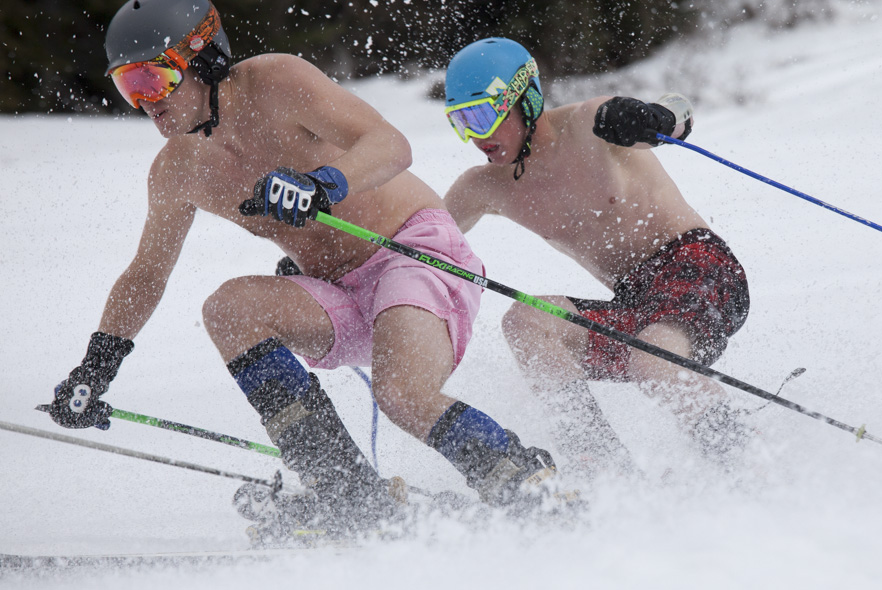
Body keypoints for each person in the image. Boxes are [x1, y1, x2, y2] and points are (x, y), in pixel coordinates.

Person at [46, 1, 559, 534]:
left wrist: (325, 183)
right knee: (229, 308)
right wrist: (96, 367)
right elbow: (146, 274)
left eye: (152, 78)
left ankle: (523, 481)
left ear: (200, 57)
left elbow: (391, 145)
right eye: (130, 87)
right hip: (339, 292)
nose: (145, 102)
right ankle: (347, 494)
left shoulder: (275, 82)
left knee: (402, 394)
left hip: (414, 254)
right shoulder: (177, 170)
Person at [442, 38, 753, 478]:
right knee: (528, 322)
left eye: (482, 116)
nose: (476, 136)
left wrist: (655, 117)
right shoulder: (483, 185)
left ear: (524, 99)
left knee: (653, 358)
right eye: (461, 122)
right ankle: (604, 468)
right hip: (638, 303)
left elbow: (679, 111)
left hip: (699, 265)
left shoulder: (593, 123)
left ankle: (750, 463)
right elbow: (420, 234)